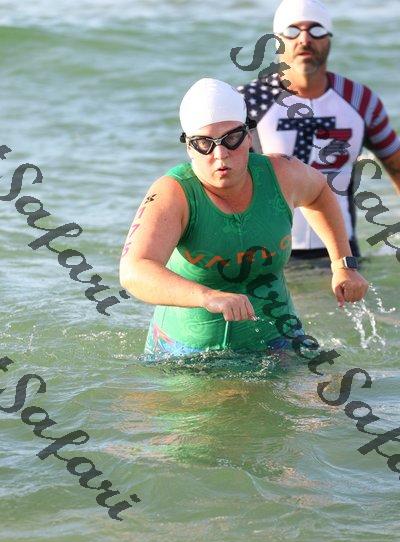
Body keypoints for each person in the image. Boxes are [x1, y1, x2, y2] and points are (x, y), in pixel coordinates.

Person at [119, 78, 368, 356]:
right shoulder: (173, 193)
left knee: (333, 381)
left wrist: (343, 264)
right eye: (204, 143)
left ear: (249, 136)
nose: (220, 154)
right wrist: (207, 297)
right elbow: (134, 270)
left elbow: (320, 191)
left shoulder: (280, 174)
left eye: (231, 139)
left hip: (279, 340)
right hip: (189, 353)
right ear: (189, 147)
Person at [238, 0, 400, 259]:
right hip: (270, 253)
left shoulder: (360, 99)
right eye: (292, 31)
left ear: (329, 39)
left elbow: (395, 163)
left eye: (316, 30)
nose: (304, 39)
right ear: (277, 41)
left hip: (341, 250)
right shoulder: (248, 101)